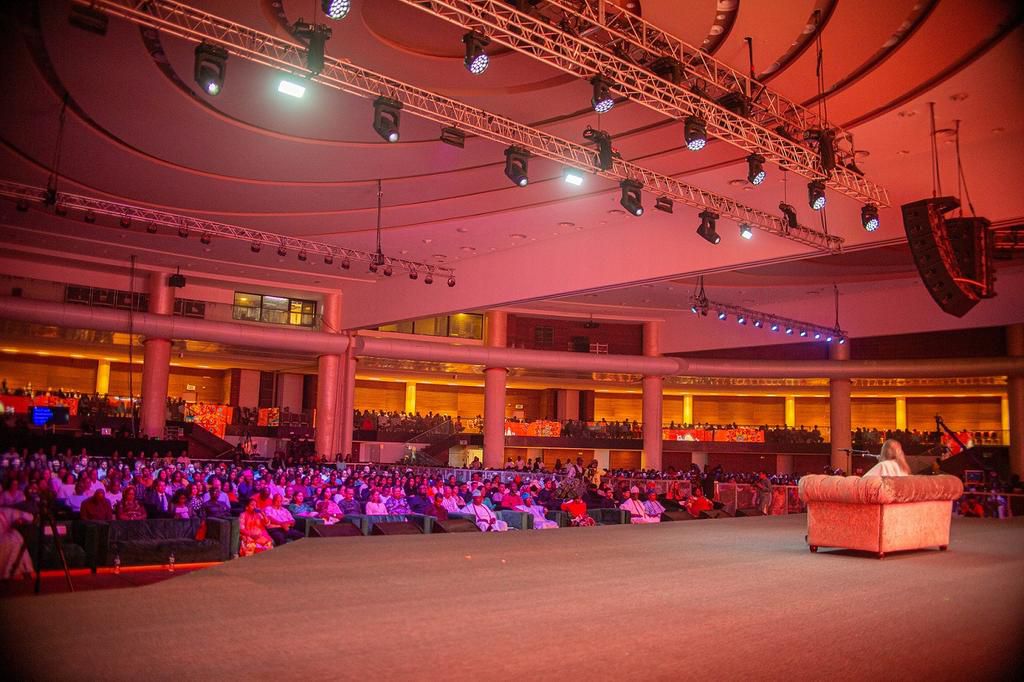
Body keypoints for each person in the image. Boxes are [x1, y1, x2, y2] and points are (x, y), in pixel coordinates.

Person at [1, 506, 34, 580]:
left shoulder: (6, 511)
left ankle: (13, 573)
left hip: (4, 540)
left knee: (14, 536)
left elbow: (29, 517)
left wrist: (19, 520)